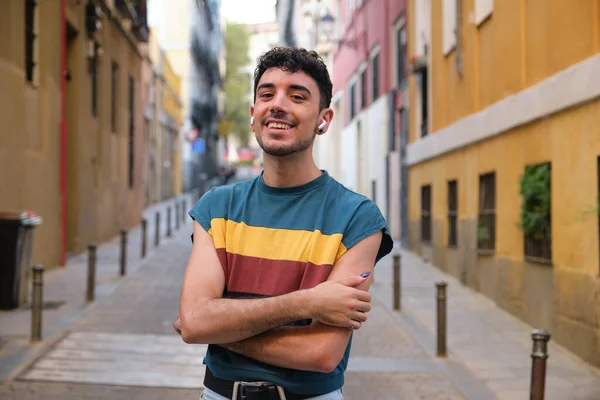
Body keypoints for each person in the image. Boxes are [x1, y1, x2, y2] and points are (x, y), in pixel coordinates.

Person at [174, 47, 393, 400]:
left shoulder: (358, 218)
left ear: (324, 120)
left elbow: (321, 354)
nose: (277, 104)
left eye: (297, 96)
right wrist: (307, 303)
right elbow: (196, 322)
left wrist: (221, 332)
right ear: (253, 113)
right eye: (267, 94)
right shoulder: (217, 209)